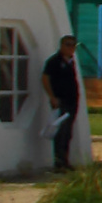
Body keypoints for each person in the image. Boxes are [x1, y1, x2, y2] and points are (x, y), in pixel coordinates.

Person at [43, 34, 82, 170]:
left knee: (68, 132)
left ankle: (65, 160)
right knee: (61, 132)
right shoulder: (54, 61)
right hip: (60, 100)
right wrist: (52, 96)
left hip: (72, 100)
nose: (70, 48)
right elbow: (45, 78)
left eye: (73, 45)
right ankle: (59, 162)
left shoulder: (71, 61)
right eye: (67, 44)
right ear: (61, 46)